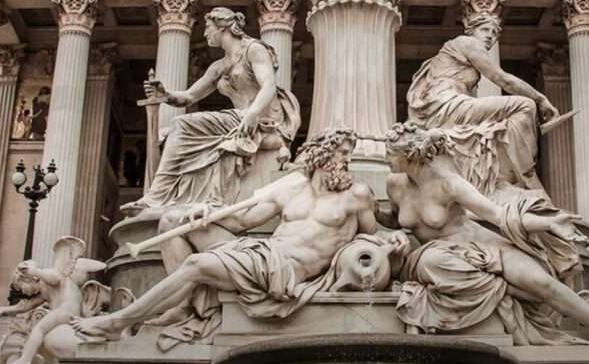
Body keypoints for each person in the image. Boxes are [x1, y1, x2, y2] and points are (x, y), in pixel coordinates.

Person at [73, 128, 404, 341]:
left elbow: (368, 236)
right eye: (342, 153)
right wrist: (205, 213)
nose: (346, 161)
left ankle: (116, 323)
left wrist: (392, 245)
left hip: (284, 272)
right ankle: (187, 306)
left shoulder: (356, 195)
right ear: (321, 154)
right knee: (173, 221)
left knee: (196, 266)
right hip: (262, 254)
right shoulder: (291, 191)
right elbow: (239, 224)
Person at [382, 123, 589, 359]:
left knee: (542, 284)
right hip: (439, 253)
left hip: (480, 245)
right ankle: (581, 305)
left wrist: (548, 223)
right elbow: (396, 220)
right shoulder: (395, 185)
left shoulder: (450, 184)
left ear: (410, 156)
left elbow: (498, 216)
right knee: (437, 263)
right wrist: (368, 213)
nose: (385, 158)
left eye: (389, 154)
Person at [128, 7, 300, 214]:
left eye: (208, 28)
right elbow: (190, 97)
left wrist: (252, 114)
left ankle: (157, 196)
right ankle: (161, 196)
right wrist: (165, 94)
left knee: (181, 125)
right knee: (177, 128)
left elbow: (269, 86)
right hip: (238, 119)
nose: (205, 33)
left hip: (263, 121)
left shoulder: (254, 50)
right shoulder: (219, 66)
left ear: (223, 27)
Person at [406, 14, 558, 201]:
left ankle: (502, 176)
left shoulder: (460, 57)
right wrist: (540, 99)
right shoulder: (468, 43)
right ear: (471, 31)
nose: (490, 36)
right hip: (447, 105)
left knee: (498, 125)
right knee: (524, 105)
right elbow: (501, 79)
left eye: (494, 33)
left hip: (449, 108)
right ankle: (524, 175)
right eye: (485, 30)